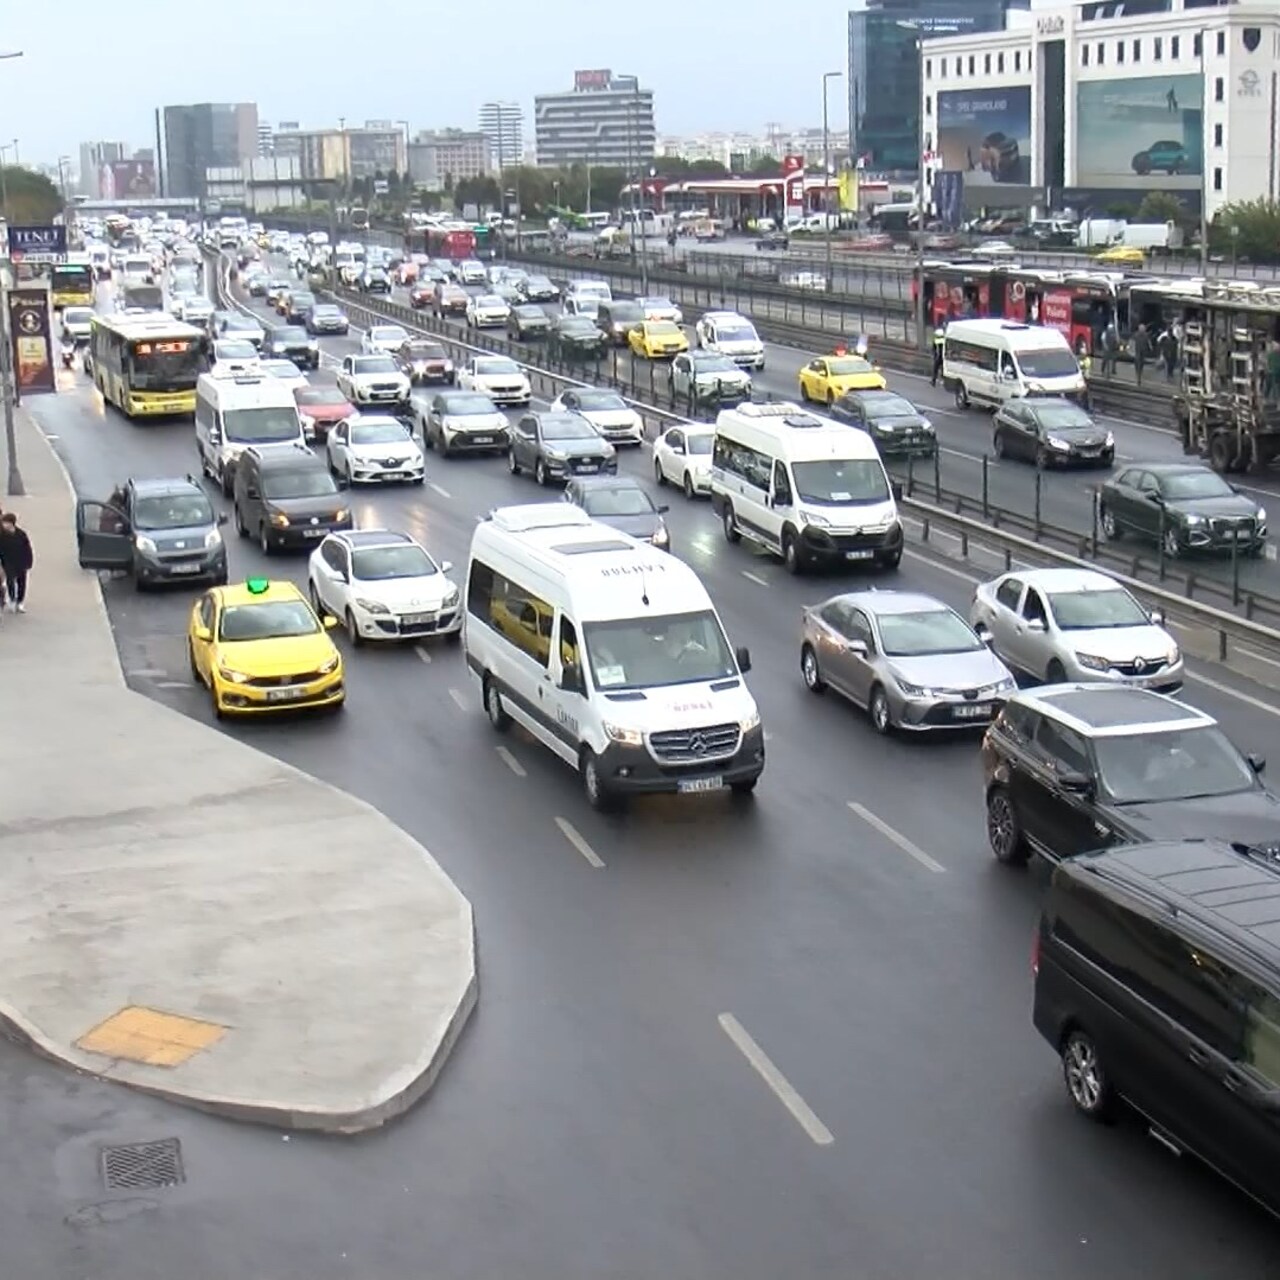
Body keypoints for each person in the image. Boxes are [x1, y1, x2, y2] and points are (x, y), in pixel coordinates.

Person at [0, 512, 33, 613]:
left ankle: (20, 602)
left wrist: (29, 562)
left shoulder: (21, 534)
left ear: (11, 523)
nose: (4, 525)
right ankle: (12, 599)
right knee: (10, 580)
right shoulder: (2, 535)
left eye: (5, 523)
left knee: (22, 582)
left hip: (21, 561)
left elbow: (27, 548)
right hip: (7, 562)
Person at [931, 320, 946, 386]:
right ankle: (941, 380)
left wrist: (934, 354)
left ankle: (934, 381)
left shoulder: (938, 334)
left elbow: (934, 346)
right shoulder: (943, 334)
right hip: (942, 355)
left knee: (936, 368)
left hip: (939, 355)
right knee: (942, 368)